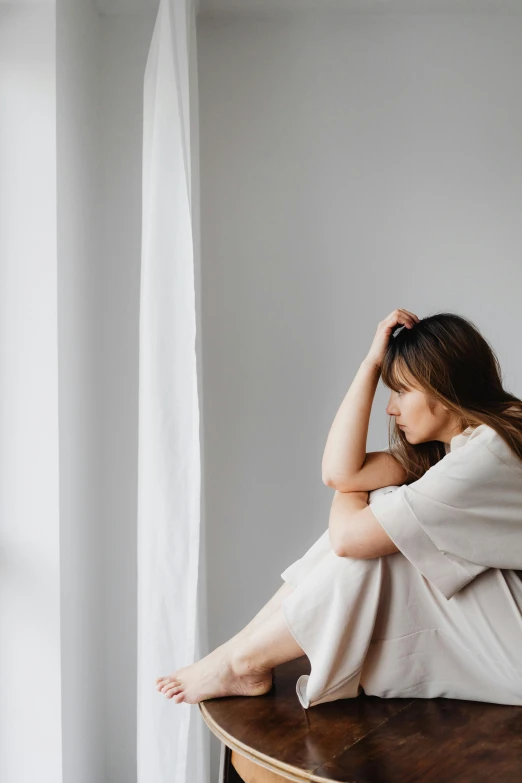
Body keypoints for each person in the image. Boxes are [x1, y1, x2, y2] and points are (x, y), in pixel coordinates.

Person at [156, 309, 522, 708]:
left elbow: (348, 537)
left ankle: (243, 660)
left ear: (443, 387)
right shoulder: (476, 438)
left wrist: (357, 490)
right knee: (385, 518)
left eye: (401, 390)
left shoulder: (489, 454)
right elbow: (339, 472)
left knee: (381, 523)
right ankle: (239, 655)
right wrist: (369, 365)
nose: (391, 409)